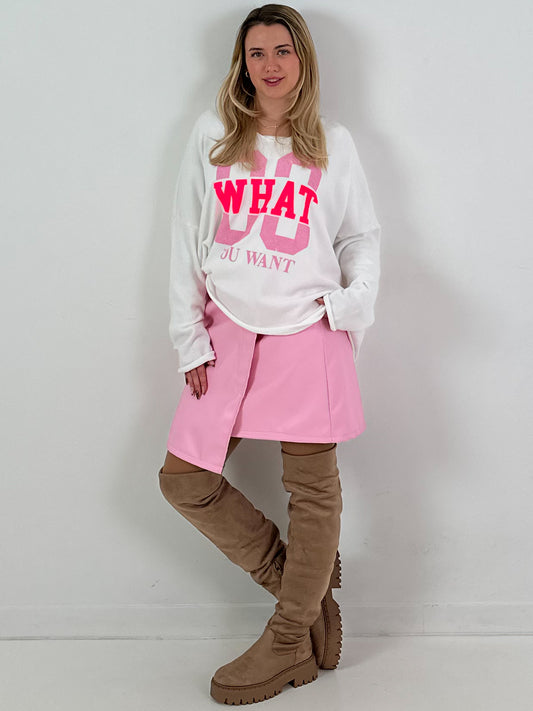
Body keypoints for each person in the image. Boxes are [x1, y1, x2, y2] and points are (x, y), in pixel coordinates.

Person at [158, 3, 381, 705]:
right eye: (256, 53)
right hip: (226, 325)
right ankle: (304, 593)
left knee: (313, 489)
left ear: (302, 58)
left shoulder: (333, 142)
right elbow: (185, 235)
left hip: (307, 327)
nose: (270, 64)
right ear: (242, 64)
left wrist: (347, 307)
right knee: (183, 479)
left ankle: (288, 640)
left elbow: (359, 235)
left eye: (282, 50)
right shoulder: (214, 133)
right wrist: (188, 335)